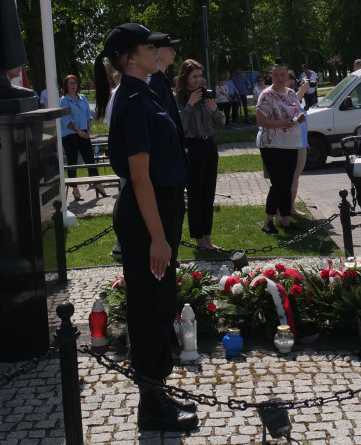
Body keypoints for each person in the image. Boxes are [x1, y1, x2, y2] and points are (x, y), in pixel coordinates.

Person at [93, 23, 197, 432]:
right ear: (129, 57)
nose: (157, 51)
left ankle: (157, 392)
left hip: (158, 208)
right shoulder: (135, 101)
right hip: (146, 214)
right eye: (148, 47)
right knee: (150, 308)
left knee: (159, 302)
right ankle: (151, 405)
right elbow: (139, 177)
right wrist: (157, 237)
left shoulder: (144, 92)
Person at [175, 59, 225, 251]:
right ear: (185, 77)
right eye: (194, 76)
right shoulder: (179, 98)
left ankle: (207, 238)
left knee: (208, 194)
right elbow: (179, 126)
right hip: (193, 147)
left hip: (209, 145)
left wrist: (214, 109)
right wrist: (189, 104)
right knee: (195, 195)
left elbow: (221, 123)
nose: (198, 80)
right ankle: (199, 240)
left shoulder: (206, 95)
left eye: (200, 76)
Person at [256, 61, 306, 234]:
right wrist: (283, 123)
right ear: (271, 76)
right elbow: (261, 121)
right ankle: (268, 222)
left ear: (287, 76)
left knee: (288, 182)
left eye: (282, 75)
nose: (279, 78)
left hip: (291, 143)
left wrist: (299, 118)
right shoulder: (266, 95)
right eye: (276, 75)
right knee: (278, 183)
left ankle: (286, 221)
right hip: (272, 144)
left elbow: (296, 112)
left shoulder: (291, 93)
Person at [58, 74, 102, 202]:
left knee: (90, 159)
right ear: (66, 86)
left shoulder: (82, 98)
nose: (73, 85)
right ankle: (75, 189)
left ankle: (98, 184)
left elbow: (88, 115)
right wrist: (78, 131)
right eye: (70, 83)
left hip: (84, 132)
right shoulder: (64, 100)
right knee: (72, 162)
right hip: (70, 135)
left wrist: (89, 128)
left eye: (75, 83)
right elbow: (66, 119)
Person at [287, 71, 311, 217]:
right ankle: (282, 210)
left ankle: (290, 208)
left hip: (301, 143)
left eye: (294, 80)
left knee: (295, 177)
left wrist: (306, 141)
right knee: (288, 178)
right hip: (291, 144)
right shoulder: (287, 97)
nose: (293, 83)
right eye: (291, 80)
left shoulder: (294, 97)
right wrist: (302, 91)